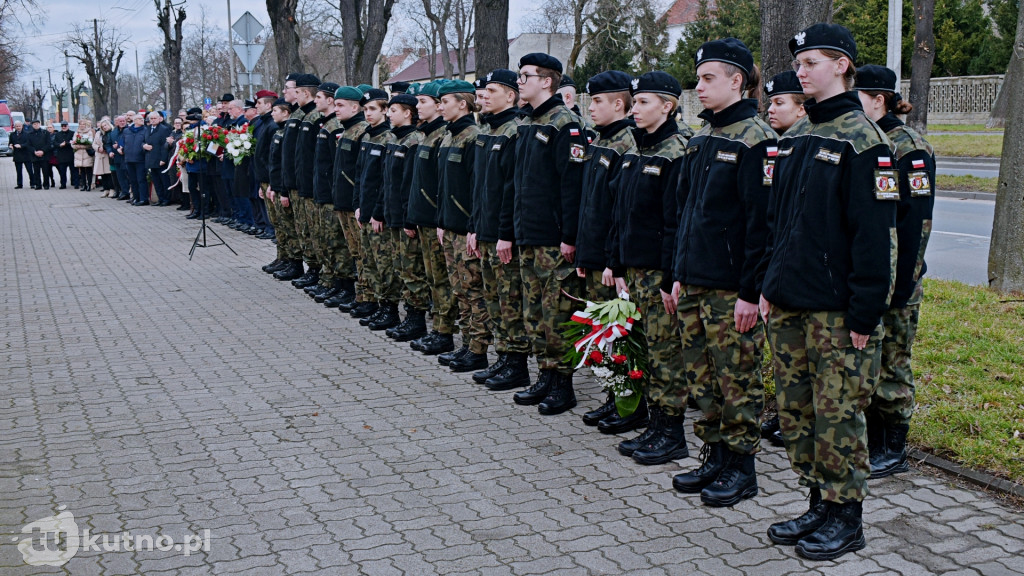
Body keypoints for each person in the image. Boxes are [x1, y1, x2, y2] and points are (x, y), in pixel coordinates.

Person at [758, 23, 897, 561]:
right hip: (791, 302)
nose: (801, 70)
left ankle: (847, 517)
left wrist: (866, 315)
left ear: (842, 65)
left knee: (838, 415)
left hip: (838, 313)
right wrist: (769, 285)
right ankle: (817, 500)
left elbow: (875, 242)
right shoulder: (794, 138)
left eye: (811, 61)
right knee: (797, 412)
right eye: (799, 63)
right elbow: (780, 225)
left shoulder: (864, 141)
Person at [666, 38, 775, 507]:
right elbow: (684, 213)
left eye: (709, 78)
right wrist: (676, 273)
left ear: (737, 81)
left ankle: (741, 467)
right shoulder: (701, 138)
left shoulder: (756, 139)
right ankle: (714, 454)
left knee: (738, 379)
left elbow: (761, 225)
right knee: (703, 377)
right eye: (699, 78)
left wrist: (750, 292)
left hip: (730, 288)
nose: (700, 87)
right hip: (692, 280)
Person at [855, 64, 935, 480]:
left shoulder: (909, 147)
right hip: (873, 277)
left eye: (859, 97)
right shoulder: (869, 142)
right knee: (870, 364)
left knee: (893, 364)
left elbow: (916, 222)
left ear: (879, 99)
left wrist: (902, 284)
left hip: (900, 280)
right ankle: (872, 439)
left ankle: (895, 446)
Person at [605, 71, 689, 464]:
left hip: (658, 272)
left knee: (665, 353)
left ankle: (671, 431)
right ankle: (653, 423)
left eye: (643, 102)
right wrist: (616, 263)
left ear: (668, 106)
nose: (634, 109)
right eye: (634, 102)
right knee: (644, 348)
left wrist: (670, 277)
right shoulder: (636, 151)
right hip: (634, 269)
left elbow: (675, 221)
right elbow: (621, 214)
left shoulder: (676, 152)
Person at [510, 53, 588, 416]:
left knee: (558, 313)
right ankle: (544, 373)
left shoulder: (565, 124)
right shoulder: (526, 121)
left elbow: (572, 186)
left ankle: (563, 383)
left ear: (547, 81)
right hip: (528, 234)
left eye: (525, 76)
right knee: (535, 312)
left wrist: (569, 236)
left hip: (553, 239)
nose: (519, 81)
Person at [573, 70, 642, 432]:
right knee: (604, 334)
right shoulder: (599, 140)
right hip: (595, 254)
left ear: (619, 103)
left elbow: (619, 210)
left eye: (597, 101)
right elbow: (590, 204)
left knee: (621, 336)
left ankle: (629, 403)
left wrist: (611, 261)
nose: (591, 107)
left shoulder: (627, 144)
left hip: (610, 260)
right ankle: (613, 395)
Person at [469, 69, 532, 391]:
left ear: (511, 96)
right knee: (494, 299)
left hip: (503, 234)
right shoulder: (488, 130)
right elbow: (480, 187)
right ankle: (504, 357)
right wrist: (474, 227)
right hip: (486, 230)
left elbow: (511, 190)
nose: (484, 96)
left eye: (492, 91)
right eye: (484, 90)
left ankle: (517, 363)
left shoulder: (514, 132)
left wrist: (505, 232)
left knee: (509, 301)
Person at [759, 70, 807, 449]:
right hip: (781, 274)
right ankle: (786, 418)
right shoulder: (782, 145)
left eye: (780, 103)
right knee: (786, 363)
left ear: (801, 108)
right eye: (770, 102)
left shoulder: (795, 144)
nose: (771, 109)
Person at [435, 80, 489, 371]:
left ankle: (478, 349)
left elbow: (475, 187)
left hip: (466, 228)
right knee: (459, 290)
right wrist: (442, 220)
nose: (440, 106)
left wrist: (473, 227)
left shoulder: (472, 136)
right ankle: (467, 344)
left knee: (473, 290)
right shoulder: (448, 135)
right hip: (449, 225)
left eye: (445, 101)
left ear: (463, 104)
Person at [405, 81, 456, 355]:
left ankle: (444, 331)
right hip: (423, 218)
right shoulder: (426, 134)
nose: (417, 107)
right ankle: (437, 328)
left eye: (422, 101)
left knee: (441, 279)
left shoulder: (440, 136)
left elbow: (442, 185)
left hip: (435, 219)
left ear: (438, 105)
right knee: (432, 277)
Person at [378, 92, 427, 340]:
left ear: (408, 113)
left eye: (393, 110)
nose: (388, 114)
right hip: (392, 214)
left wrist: (409, 218)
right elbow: (387, 181)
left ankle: (416, 319)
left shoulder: (413, 140)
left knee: (412, 270)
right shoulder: (394, 139)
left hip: (405, 217)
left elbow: (410, 184)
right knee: (400, 267)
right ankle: (407, 315)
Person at [350, 88, 393, 324]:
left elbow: (384, 180)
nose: (368, 114)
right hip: (363, 209)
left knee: (382, 263)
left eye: (372, 109)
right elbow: (360, 175)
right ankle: (374, 301)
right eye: (365, 110)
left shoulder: (387, 138)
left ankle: (387, 306)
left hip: (377, 213)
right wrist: (357, 204)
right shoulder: (367, 137)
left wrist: (377, 211)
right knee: (368, 260)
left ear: (385, 110)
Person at [142, 113, 171, 204]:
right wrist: (144, 146)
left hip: (160, 159)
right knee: (156, 180)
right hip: (150, 158)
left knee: (164, 180)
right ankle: (160, 198)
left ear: (159, 119)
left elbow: (165, 146)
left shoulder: (164, 129)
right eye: (151, 118)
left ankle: (166, 199)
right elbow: (143, 141)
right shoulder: (147, 129)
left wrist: (163, 159)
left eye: (155, 118)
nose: (153, 120)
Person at [120, 114, 148, 205]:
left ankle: (143, 198)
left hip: (140, 159)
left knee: (141, 179)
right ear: (134, 121)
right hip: (128, 158)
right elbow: (122, 142)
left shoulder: (145, 130)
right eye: (139, 119)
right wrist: (120, 148)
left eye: (142, 119)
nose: (142, 120)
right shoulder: (127, 131)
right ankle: (136, 197)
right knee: (133, 180)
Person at [27, 119, 51, 190]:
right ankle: (38, 185)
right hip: (35, 155)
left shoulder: (45, 132)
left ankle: (46, 185)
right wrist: (34, 151)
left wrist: (43, 151)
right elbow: (28, 145)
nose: (36, 125)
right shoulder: (29, 134)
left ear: (39, 124)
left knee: (45, 171)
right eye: (34, 124)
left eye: (37, 124)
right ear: (32, 125)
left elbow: (48, 144)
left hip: (44, 155)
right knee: (36, 172)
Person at [10, 121, 35, 189]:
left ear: (22, 126)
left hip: (26, 155)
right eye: (17, 126)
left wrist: (21, 145)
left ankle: (32, 183)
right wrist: (10, 145)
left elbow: (28, 143)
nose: (18, 127)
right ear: (15, 127)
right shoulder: (12, 134)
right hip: (17, 155)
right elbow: (10, 142)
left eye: (19, 126)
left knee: (30, 170)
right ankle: (19, 184)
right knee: (18, 171)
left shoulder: (27, 134)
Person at [93, 119, 113, 197]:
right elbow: (93, 143)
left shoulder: (111, 133)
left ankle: (112, 189)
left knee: (109, 173)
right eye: (103, 126)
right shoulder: (98, 133)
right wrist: (98, 148)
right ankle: (106, 189)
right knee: (102, 174)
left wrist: (105, 149)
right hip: (100, 155)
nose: (104, 127)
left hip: (107, 155)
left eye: (105, 125)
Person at [53, 121, 75, 189]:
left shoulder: (72, 133)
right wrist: (60, 145)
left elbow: (74, 142)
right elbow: (54, 143)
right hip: (61, 155)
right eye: (62, 126)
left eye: (65, 126)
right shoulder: (58, 134)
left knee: (73, 171)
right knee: (62, 171)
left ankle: (74, 183)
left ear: (68, 126)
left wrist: (66, 143)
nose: (64, 127)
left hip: (70, 154)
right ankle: (63, 184)